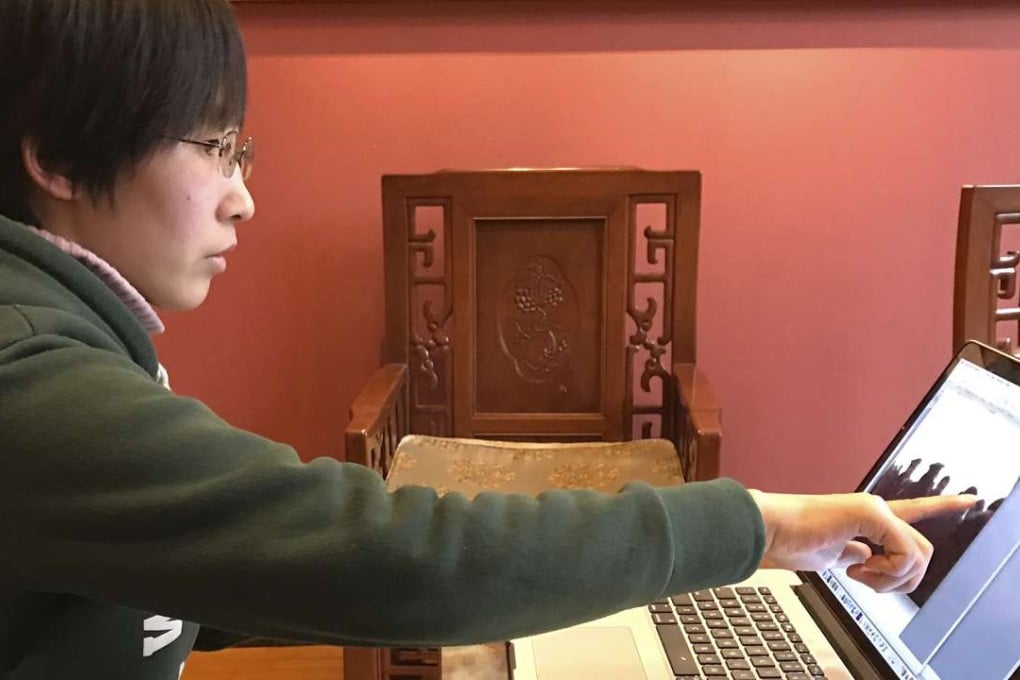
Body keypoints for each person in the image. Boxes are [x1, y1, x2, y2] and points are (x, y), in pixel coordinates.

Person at [0, 2, 975, 678]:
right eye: (214, 145)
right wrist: (754, 526)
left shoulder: (69, 335)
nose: (243, 195)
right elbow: (393, 556)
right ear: (59, 154)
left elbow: (209, 568)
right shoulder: (28, 377)